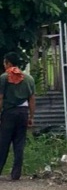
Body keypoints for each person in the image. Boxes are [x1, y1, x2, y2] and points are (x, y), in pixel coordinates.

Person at [0, 52, 36, 181]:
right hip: (23, 113)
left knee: (3, 143)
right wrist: (31, 117)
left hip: (9, 113)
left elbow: (1, 98)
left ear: (8, 63)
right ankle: (16, 174)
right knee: (19, 143)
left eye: (5, 63)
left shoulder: (4, 77)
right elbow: (32, 99)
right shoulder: (29, 79)